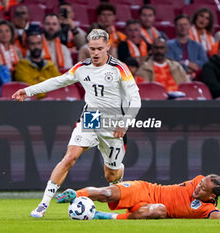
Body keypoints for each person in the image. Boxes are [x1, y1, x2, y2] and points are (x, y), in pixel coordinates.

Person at [12, 29, 141, 218]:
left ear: (108, 47)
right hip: (91, 117)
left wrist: (125, 123)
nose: (95, 53)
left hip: (114, 122)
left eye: (99, 49)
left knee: (111, 175)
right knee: (70, 158)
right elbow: (59, 81)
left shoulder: (120, 69)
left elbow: (135, 99)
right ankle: (43, 204)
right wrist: (29, 91)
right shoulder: (82, 67)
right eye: (91, 49)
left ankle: (119, 170)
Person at [56, 174, 220, 220]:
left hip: (153, 207)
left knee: (159, 210)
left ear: (212, 195)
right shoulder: (200, 179)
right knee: (106, 193)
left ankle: (103, 217)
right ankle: (76, 193)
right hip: (145, 189)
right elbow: (202, 182)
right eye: (200, 184)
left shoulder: (207, 209)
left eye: (203, 189)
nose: (198, 187)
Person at [14, 31, 61, 98]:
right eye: (32, 44)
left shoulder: (51, 65)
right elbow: (29, 89)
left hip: (53, 102)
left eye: (38, 43)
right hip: (32, 104)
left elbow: (60, 85)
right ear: (27, 45)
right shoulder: (21, 66)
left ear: (42, 45)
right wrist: (48, 90)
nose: (36, 47)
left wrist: (38, 81)